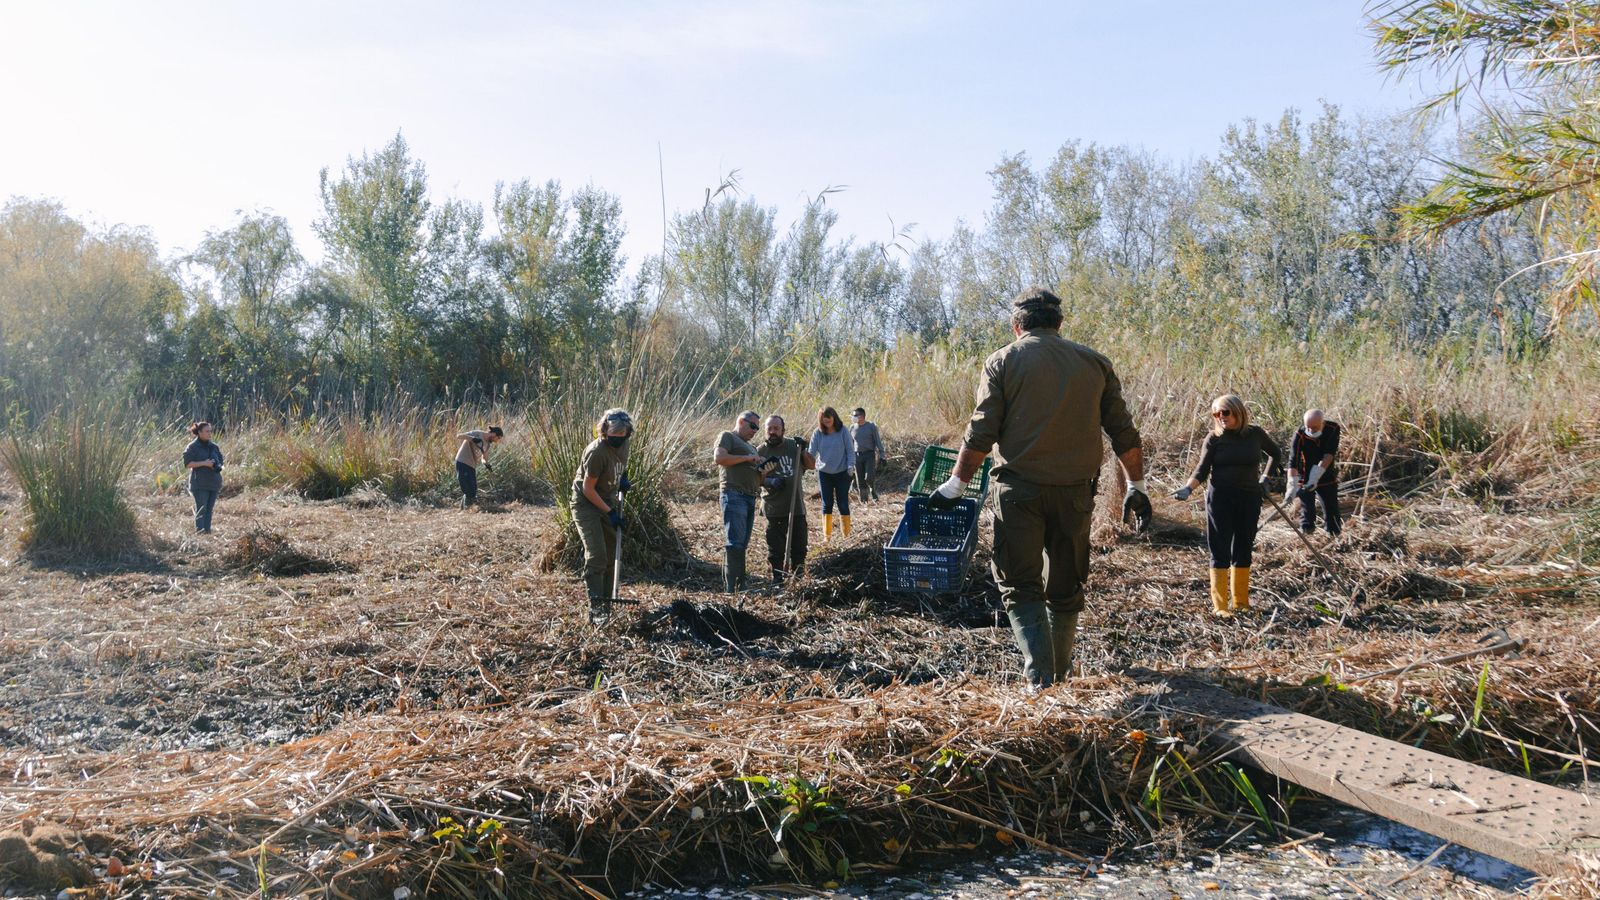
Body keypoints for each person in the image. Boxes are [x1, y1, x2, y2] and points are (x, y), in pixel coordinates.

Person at [929, 287, 1149, 687]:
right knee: (1065, 587)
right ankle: (1058, 677)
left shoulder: (1003, 361)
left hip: (1020, 493)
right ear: (1059, 324)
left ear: (1017, 326)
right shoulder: (1094, 363)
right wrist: (1136, 485)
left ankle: (1041, 678)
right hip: (1075, 495)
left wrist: (956, 485)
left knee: (1019, 583)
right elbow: (1125, 434)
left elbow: (980, 433)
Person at [1172, 394, 1285, 617]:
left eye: (1225, 412)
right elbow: (1202, 470)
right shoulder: (1214, 439)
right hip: (1220, 499)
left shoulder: (1255, 434)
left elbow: (1275, 453)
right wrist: (1188, 488)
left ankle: (1241, 602)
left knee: (1243, 547)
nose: (1221, 417)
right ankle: (1220, 606)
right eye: (1216, 413)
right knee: (1220, 548)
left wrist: (1265, 478)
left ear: (1238, 412)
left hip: (1249, 498)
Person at [574, 410, 632, 623]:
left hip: (607, 501)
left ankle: (608, 605)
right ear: (605, 431)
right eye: (612, 436)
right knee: (597, 555)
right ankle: (597, 609)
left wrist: (623, 478)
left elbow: (622, 462)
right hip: (586, 504)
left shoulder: (624, 444)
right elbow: (588, 490)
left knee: (610, 554)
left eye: (621, 436)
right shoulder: (596, 452)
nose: (617, 440)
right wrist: (611, 513)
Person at [714, 410, 768, 592]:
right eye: (753, 426)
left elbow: (758, 480)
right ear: (741, 421)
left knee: (742, 543)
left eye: (758, 428)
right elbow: (719, 458)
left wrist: (765, 470)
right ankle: (734, 588)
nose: (755, 431)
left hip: (750, 496)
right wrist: (747, 458)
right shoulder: (727, 436)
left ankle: (739, 585)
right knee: (735, 541)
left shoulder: (751, 447)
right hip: (734, 493)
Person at [759, 415, 814, 586]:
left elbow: (811, 465)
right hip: (773, 507)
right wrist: (769, 481)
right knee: (775, 548)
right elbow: (754, 479)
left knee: (799, 546)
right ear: (765, 430)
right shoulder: (760, 452)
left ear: (783, 430)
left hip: (796, 505)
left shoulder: (793, 447)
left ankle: (798, 578)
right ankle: (777, 577)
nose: (773, 432)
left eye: (776, 428)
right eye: (770, 429)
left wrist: (803, 450)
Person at [1288, 408, 1342, 537]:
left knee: (1331, 509)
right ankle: (1307, 535)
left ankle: (1333, 536)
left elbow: (1329, 455)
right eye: (1308, 427)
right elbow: (1292, 461)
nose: (1311, 430)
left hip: (1325, 473)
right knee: (1307, 512)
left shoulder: (1332, 428)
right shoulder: (1300, 434)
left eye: (1315, 427)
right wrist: (1291, 484)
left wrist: (1315, 477)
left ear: (1322, 423)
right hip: (1304, 476)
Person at [809, 407, 855, 540]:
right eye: (824, 418)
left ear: (834, 417)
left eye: (829, 417)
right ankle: (827, 536)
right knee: (827, 503)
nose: (827, 420)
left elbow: (850, 451)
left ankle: (846, 535)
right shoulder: (818, 433)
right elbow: (811, 453)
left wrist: (850, 466)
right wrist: (806, 460)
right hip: (824, 473)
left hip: (842, 472)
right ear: (821, 420)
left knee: (842, 503)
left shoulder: (843, 431)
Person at [182, 421, 225, 534]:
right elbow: (187, 464)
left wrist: (217, 465)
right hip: (199, 484)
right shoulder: (192, 447)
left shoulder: (214, 447)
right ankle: (200, 533)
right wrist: (204, 463)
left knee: (209, 510)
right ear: (199, 432)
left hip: (213, 483)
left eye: (210, 431)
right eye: (207, 431)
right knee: (202, 509)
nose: (210, 433)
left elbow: (221, 462)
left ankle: (207, 532)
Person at [454, 425, 504, 508]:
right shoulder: (477, 434)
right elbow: (458, 436)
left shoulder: (487, 445)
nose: (497, 441)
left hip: (471, 465)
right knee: (468, 488)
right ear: (494, 434)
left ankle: (463, 509)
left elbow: (484, 458)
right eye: (498, 438)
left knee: (473, 489)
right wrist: (472, 439)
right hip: (462, 461)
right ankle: (466, 509)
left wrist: (486, 464)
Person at [849, 408, 887, 502]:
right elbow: (850, 444)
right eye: (853, 415)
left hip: (869, 455)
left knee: (869, 477)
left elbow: (878, 441)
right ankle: (864, 500)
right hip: (857, 456)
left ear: (862, 416)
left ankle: (872, 490)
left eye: (855, 415)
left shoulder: (871, 426)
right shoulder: (852, 428)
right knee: (860, 479)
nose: (853, 417)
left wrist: (882, 456)